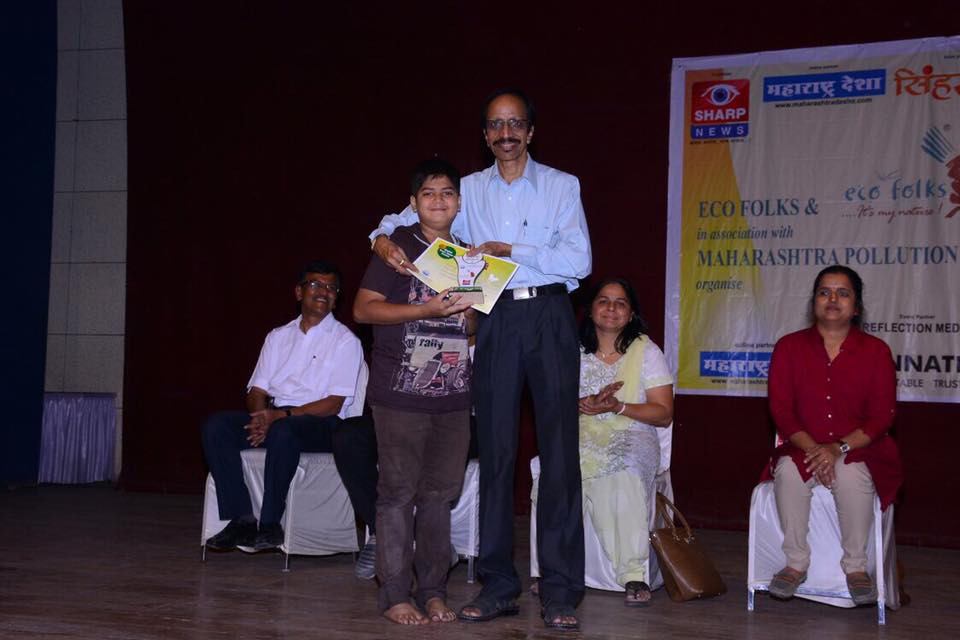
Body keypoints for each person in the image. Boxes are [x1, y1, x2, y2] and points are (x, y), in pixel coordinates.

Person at [370, 88, 591, 631]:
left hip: (550, 315)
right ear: (486, 135)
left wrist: (510, 250)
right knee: (495, 452)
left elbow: (579, 260)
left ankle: (560, 589)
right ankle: (498, 585)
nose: (506, 133)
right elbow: (398, 217)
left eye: (515, 123)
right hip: (495, 318)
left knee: (559, 455)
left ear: (531, 131)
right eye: (496, 125)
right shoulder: (465, 189)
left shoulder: (562, 185)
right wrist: (379, 239)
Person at [354, 158, 476, 625]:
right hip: (400, 393)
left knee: (440, 496)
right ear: (413, 203)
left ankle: (434, 591)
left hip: (453, 394)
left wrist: (467, 312)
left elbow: (471, 327)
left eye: (447, 193)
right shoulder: (398, 248)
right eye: (428, 193)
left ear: (458, 202)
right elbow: (364, 310)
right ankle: (394, 595)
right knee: (397, 494)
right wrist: (423, 309)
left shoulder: (468, 255)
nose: (438, 200)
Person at [201, 261, 365, 552]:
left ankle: (270, 524)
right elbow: (257, 390)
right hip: (278, 417)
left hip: (322, 424)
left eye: (331, 287)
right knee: (217, 426)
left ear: (337, 297)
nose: (323, 292)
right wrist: (260, 417)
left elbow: (333, 404)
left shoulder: (345, 341)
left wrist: (279, 417)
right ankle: (241, 518)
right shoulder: (278, 336)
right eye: (315, 284)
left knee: (284, 431)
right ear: (298, 292)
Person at [765, 265, 902, 605]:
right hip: (803, 447)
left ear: (856, 307)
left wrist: (837, 449)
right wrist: (817, 450)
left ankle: (856, 568)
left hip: (859, 448)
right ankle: (795, 564)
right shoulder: (789, 347)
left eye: (843, 293)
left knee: (852, 474)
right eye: (824, 292)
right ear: (814, 302)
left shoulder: (876, 352)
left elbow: (881, 417)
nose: (832, 299)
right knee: (789, 472)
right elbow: (781, 411)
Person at [532, 278, 673, 606]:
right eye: (604, 301)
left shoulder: (646, 351)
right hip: (578, 430)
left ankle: (633, 573)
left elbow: (663, 413)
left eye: (620, 302)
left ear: (631, 313)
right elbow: (548, 402)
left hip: (632, 430)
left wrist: (616, 406)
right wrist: (581, 404)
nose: (611, 308)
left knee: (624, 470)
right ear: (590, 309)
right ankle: (550, 568)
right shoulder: (570, 348)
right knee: (553, 469)